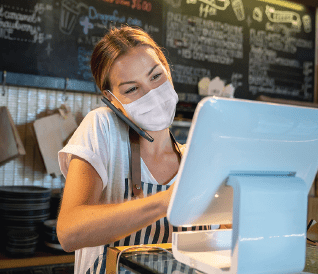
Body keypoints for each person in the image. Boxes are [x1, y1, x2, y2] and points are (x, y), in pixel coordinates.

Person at [57, 26, 209, 274]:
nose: (151, 93)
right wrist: (167, 201)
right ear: (112, 98)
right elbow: (69, 233)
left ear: (167, 70)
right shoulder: (103, 127)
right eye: (131, 89)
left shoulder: (198, 156)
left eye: (156, 76)